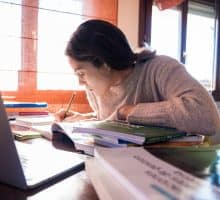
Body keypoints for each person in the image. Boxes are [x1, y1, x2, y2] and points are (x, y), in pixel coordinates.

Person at [54, 19, 220, 137]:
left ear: (104, 63)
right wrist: (82, 118)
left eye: (81, 73)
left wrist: (128, 111)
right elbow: (110, 122)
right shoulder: (95, 90)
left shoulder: (160, 68)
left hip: (174, 170)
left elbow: (208, 117)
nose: (80, 82)